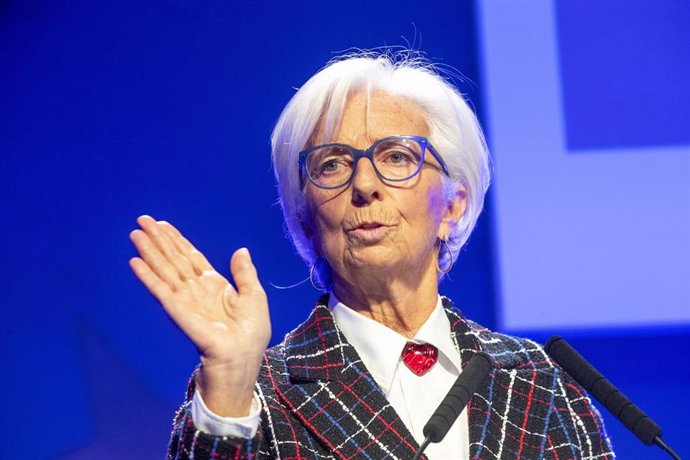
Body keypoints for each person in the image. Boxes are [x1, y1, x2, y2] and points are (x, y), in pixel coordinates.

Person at [129, 51, 615, 459]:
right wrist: (232, 377)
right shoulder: (257, 395)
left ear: (453, 205)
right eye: (333, 164)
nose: (364, 185)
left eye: (396, 157)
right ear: (304, 219)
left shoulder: (536, 381)